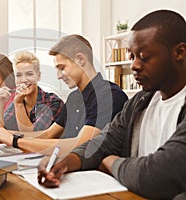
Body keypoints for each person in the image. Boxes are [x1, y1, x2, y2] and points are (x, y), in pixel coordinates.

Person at [38, 10, 186, 199]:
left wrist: (110, 162)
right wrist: (64, 163)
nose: (134, 66)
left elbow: (155, 176)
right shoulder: (139, 103)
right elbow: (102, 144)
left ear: (180, 52)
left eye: (144, 57)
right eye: (132, 57)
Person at [0, 35, 128, 156]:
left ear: (80, 59)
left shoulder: (109, 95)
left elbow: (81, 145)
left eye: (62, 68)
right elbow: (48, 134)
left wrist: (15, 140)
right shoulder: (74, 98)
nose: (58, 76)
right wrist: (5, 135)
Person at [0, 51, 64, 132]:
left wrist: (19, 104)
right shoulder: (18, 101)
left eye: (29, 74)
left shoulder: (53, 102)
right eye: (18, 75)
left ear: (38, 76)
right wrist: (0, 103)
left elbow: (32, 136)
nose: (23, 80)